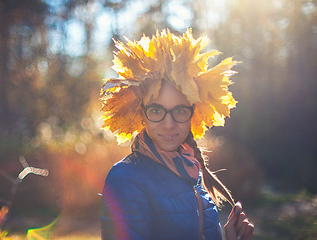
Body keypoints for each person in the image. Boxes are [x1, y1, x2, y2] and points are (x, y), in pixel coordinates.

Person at [100, 29, 254, 240]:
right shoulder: (126, 179)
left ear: (193, 113)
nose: (169, 124)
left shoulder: (191, 172)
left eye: (180, 110)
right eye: (156, 110)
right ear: (141, 114)